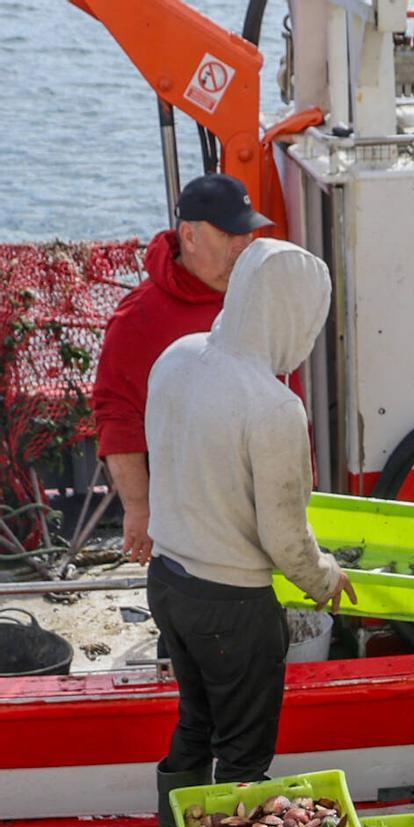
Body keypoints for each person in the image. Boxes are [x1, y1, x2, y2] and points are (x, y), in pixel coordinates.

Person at [145, 238, 353, 827]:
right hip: (232, 605)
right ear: (294, 313)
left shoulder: (177, 357)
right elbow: (286, 538)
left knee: (193, 725)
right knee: (242, 756)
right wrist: (327, 579)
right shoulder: (272, 405)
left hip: (168, 581)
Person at [93, 173, 271, 562]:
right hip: (186, 517)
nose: (243, 247)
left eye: (248, 234)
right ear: (189, 237)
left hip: (263, 498)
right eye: (229, 235)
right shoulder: (139, 316)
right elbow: (118, 415)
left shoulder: (259, 293)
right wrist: (139, 509)